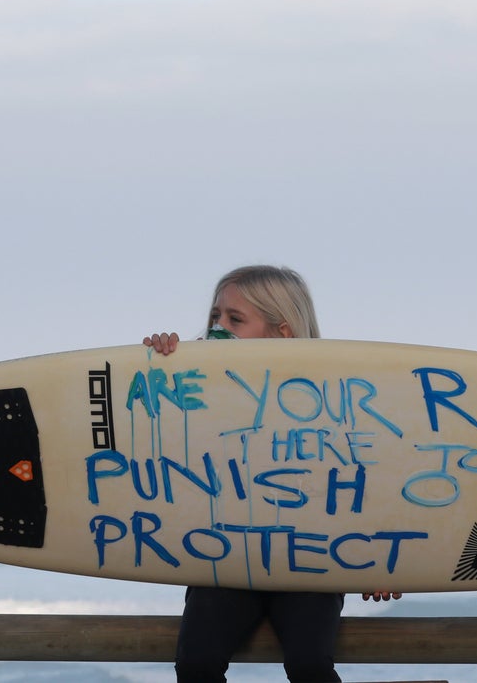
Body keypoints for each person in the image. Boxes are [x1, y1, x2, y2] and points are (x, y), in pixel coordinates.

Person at [143, 265, 399, 683]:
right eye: (215, 317)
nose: (218, 328)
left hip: (311, 558)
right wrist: (160, 363)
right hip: (226, 555)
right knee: (196, 662)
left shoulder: (335, 399)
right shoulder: (197, 387)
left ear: (282, 333)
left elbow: (365, 480)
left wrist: (387, 561)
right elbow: (157, 435)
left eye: (235, 319)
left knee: (310, 664)